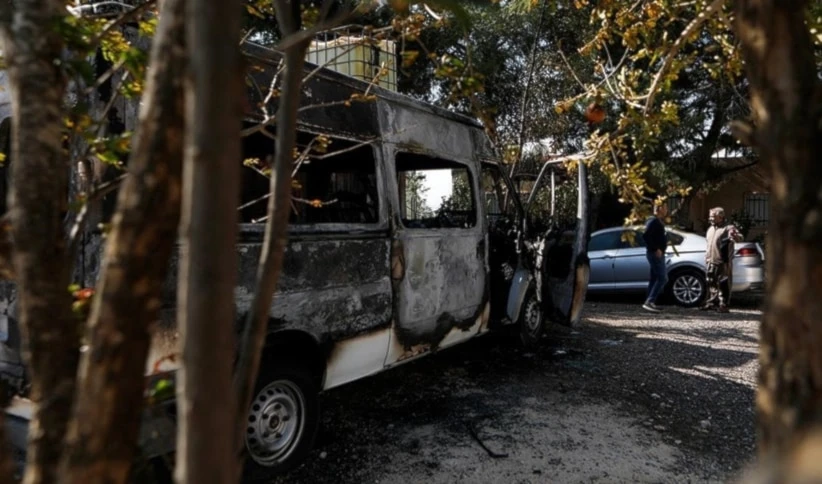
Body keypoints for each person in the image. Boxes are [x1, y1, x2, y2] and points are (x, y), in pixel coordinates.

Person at [701, 207, 742, 313]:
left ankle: (724, 305)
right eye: (709, 216)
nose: (710, 218)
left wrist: (735, 237)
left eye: (713, 216)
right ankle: (711, 303)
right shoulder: (710, 229)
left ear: (721, 217)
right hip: (710, 260)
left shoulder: (728, 228)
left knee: (724, 284)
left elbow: (739, 237)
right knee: (711, 282)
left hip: (723, 261)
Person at [642, 203, 668, 313]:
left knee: (654, 278)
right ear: (660, 208)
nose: (667, 210)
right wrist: (656, 248)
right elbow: (646, 236)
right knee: (663, 278)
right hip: (655, 254)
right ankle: (650, 301)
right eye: (665, 207)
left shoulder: (658, 221)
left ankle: (649, 302)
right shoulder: (652, 221)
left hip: (658, 253)